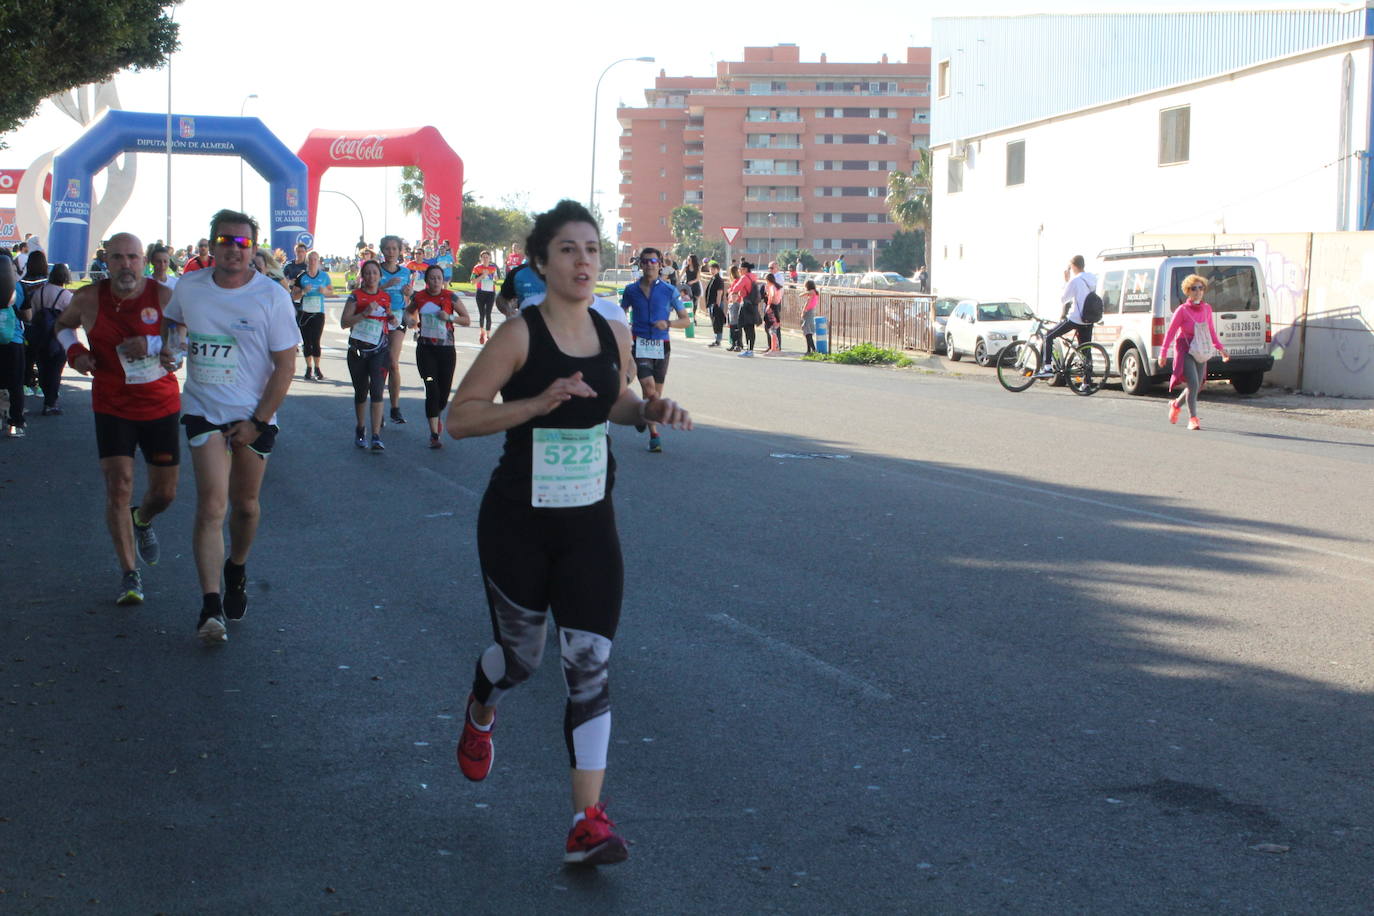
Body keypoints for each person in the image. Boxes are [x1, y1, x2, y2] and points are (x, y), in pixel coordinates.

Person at [445, 200, 692, 867]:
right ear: (541, 264)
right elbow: (459, 418)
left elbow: (614, 402)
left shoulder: (610, 331)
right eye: (567, 250)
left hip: (589, 525)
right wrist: (538, 402)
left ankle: (588, 820)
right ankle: (481, 704)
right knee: (522, 659)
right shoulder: (521, 336)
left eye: (591, 249)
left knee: (589, 667)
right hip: (517, 525)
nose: (584, 261)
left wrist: (648, 410)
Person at [160, 210, 301, 646]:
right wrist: (172, 347)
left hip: (255, 415)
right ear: (211, 244)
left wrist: (257, 422)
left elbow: (285, 366)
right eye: (226, 241)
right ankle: (209, 606)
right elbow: (173, 321)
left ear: (253, 249)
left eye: (243, 243)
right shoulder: (190, 286)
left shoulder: (272, 297)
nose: (234, 250)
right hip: (204, 408)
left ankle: (236, 567)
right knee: (212, 506)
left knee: (246, 506)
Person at [54, 232, 179, 605]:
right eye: (118, 258)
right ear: (105, 262)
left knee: (165, 493)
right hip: (111, 404)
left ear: (144, 261)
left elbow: (184, 342)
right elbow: (62, 326)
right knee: (118, 486)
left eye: (133, 257)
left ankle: (142, 519)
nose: (126, 265)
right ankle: (130, 574)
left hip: (160, 404)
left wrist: (154, 345)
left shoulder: (164, 295)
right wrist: (75, 352)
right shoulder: (89, 298)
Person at [621, 247, 689, 453]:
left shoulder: (669, 291)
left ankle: (642, 414)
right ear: (640, 265)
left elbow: (686, 320)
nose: (650, 264)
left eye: (653, 261)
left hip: (662, 345)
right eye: (646, 261)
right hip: (639, 342)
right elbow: (620, 313)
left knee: (655, 396)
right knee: (649, 390)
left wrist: (668, 324)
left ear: (660, 265)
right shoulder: (631, 290)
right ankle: (654, 435)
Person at [406, 263, 471, 448]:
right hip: (425, 349)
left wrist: (450, 318)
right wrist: (410, 320)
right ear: (426, 281)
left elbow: (466, 320)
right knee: (431, 388)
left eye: (439, 279)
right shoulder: (419, 297)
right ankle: (434, 434)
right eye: (432, 278)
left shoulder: (450, 297)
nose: (435, 282)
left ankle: (437, 413)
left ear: (443, 281)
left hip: (446, 350)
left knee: (442, 394)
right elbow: (408, 312)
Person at [1160, 274, 1230, 431]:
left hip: (1201, 348)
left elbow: (1210, 330)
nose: (1198, 291)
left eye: (1201, 288)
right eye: (1194, 288)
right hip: (1185, 349)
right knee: (1193, 383)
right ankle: (1193, 418)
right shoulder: (1182, 310)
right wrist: (1163, 352)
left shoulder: (1207, 308)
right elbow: (1171, 332)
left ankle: (1176, 404)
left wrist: (1221, 348)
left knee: (1198, 386)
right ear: (1187, 291)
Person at [341, 260, 394, 450]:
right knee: (361, 391)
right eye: (368, 273)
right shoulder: (355, 297)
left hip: (379, 350)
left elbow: (391, 321)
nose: (372, 277)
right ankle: (360, 428)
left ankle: (376, 435)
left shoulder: (385, 297)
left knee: (378, 390)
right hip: (358, 351)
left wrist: (391, 316)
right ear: (363, 276)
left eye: (375, 273)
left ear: (380, 276)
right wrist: (364, 314)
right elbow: (344, 322)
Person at [26, 260, 74, 415]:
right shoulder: (66, 295)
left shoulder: (39, 292)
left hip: (39, 336)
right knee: (55, 370)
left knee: (43, 367)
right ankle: (51, 402)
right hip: (59, 338)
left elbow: (31, 315)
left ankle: (47, 395)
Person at [1037, 254, 1098, 378]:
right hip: (1089, 319)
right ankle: (1087, 382)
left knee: (1048, 336)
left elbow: (1064, 299)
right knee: (1086, 350)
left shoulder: (1075, 281)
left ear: (1073, 266)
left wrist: (1066, 281)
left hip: (1075, 318)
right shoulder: (1093, 278)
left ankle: (1047, 367)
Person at [378, 235, 413, 424]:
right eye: (388, 249)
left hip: (398, 317)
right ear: (382, 251)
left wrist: (409, 293)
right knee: (380, 365)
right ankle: (379, 408)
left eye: (394, 249)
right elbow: (367, 291)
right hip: (378, 318)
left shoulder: (406, 272)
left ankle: (395, 407)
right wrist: (384, 286)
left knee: (392, 362)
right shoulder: (376, 269)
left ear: (400, 251)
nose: (391, 252)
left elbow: (408, 296)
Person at [0, 252, 28, 437]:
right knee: (15, 384)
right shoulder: (17, 287)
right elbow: (28, 315)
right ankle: (15, 424)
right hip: (14, 340)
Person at [294, 250, 332, 381]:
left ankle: (317, 367)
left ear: (319, 261)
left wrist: (325, 291)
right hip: (305, 312)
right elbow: (294, 295)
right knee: (307, 342)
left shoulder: (324, 276)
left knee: (316, 341)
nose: (312, 262)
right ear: (307, 261)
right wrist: (304, 291)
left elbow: (330, 291)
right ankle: (308, 367)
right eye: (310, 259)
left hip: (318, 313)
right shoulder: (302, 277)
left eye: (315, 259)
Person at [471, 249, 500, 344]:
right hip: (480, 293)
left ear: (490, 258)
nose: (485, 259)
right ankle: (481, 332)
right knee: (482, 314)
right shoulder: (477, 268)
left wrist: (496, 278)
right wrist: (481, 276)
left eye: (487, 257)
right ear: (481, 258)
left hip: (491, 293)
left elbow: (496, 279)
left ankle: (488, 335)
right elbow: (472, 282)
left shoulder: (493, 268)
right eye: (483, 257)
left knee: (488, 314)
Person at [733, 261, 760, 356]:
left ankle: (748, 350)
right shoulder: (754, 276)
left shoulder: (744, 278)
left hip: (746, 304)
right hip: (753, 305)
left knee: (745, 327)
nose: (739, 271)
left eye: (741, 269)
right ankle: (750, 349)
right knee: (751, 328)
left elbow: (735, 288)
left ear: (745, 269)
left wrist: (735, 294)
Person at [704, 261, 726, 347]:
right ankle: (716, 339)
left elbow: (719, 293)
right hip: (711, 304)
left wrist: (717, 304)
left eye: (714, 269)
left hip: (716, 304)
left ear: (718, 270)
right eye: (711, 269)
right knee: (714, 322)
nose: (712, 270)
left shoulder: (718, 280)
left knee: (718, 322)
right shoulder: (713, 278)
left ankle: (718, 340)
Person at [762, 272, 784, 353]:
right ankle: (776, 347)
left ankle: (773, 348)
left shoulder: (772, 287)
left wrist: (768, 306)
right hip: (776, 306)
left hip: (772, 307)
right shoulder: (778, 287)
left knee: (772, 329)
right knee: (775, 328)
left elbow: (771, 297)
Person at [725, 264, 743, 351]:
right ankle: (734, 343)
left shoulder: (736, 281)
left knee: (735, 325)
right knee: (732, 325)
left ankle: (738, 344)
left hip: (736, 304)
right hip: (732, 304)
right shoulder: (735, 281)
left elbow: (735, 292)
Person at [801, 279, 820, 354]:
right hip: (809, 312)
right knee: (807, 332)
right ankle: (809, 350)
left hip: (809, 312)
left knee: (807, 331)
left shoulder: (812, 292)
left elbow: (803, 296)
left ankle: (813, 349)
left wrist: (803, 311)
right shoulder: (814, 293)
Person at [682, 254, 701, 322]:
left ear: (693, 260)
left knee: (695, 302)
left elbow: (698, 278)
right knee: (687, 301)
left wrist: (692, 282)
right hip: (688, 287)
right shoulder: (686, 268)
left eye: (689, 260)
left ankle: (693, 316)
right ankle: (687, 316)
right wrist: (679, 282)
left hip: (695, 286)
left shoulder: (697, 268)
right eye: (687, 260)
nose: (688, 261)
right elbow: (681, 274)